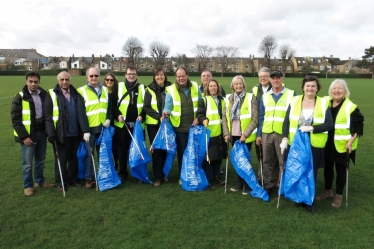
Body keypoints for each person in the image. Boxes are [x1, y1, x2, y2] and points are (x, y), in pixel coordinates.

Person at [282, 75, 333, 212]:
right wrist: (284, 138)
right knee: (298, 168)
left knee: (311, 171)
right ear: (303, 87)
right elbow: (286, 121)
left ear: (317, 89)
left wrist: (312, 128)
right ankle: (299, 197)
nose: (310, 88)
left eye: (313, 86)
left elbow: (329, 124)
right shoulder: (294, 101)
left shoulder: (323, 103)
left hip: (314, 142)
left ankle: (309, 200)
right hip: (296, 141)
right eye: (307, 85)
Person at [315, 79, 364, 208]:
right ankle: (327, 191)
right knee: (327, 169)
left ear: (345, 91)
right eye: (334, 88)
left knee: (341, 170)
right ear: (331, 90)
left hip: (343, 144)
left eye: (340, 88)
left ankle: (338, 196)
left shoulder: (350, 106)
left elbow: (358, 128)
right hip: (327, 142)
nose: (337, 91)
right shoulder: (325, 102)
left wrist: (350, 142)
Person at [11, 72, 55, 196]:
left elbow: (48, 114)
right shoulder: (19, 97)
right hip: (28, 134)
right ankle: (28, 186)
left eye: (35, 81)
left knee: (40, 160)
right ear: (26, 82)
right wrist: (24, 136)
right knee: (27, 163)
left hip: (41, 132)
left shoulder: (44, 95)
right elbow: (16, 119)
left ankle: (40, 181)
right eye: (30, 81)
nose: (33, 84)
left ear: (39, 82)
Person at [46, 71, 90, 190]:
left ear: (70, 80)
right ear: (58, 80)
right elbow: (47, 116)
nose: (64, 82)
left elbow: (81, 113)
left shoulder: (76, 93)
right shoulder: (52, 94)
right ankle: (61, 181)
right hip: (61, 133)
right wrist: (51, 133)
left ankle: (72, 179)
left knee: (73, 158)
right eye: (62, 79)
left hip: (75, 132)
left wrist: (83, 130)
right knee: (61, 159)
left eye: (67, 79)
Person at [256, 70, 296, 195]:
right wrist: (258, 134)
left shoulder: (291, 94)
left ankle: (282, 185)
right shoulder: (265, 96)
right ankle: (268, 184)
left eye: (278, 78)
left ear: (282, 79)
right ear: (270, 80)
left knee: (282, 160)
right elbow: (261, 117)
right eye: (273, 78)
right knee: (267, 161)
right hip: (266, 132)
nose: (275, 80)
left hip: (282, 134)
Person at [163, 66, 202, 185]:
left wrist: (198, 117)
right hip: (180, 128)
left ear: (187, 76)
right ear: (176, 77)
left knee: (196, 151)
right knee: (183, 152)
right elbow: (168, 105)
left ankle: (195, 173)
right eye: (178, 76)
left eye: (183, 76)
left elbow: (201, 104)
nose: (181, 78)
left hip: (195, 126)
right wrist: (166, 112)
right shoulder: (170, 89)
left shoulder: (195, 86)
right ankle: (183, 175)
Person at [77, 67, 113, 189]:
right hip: (89, 130)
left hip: (103, 128)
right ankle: (89, 178)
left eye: (96, 76)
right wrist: (85, 131)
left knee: (103, 154)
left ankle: (103, 176)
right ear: (87, 77)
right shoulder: (81, 91)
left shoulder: (105, 90)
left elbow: (109, 108)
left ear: (99, 76)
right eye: (91, 76)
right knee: (89, 155)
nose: (94, 78)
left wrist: (109, 118)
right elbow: (80, 114)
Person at [112, 66, 146, 183]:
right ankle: (122, 172)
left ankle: (137, 173)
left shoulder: (142, 88)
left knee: (137, 151)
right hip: (122, 126)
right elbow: (112, 105)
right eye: (129, 74)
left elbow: (147, 106)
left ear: (136, 75)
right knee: (122, 151)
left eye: (133, 74)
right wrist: (118, 116)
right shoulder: (118, 87)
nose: (131, 76)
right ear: (125, 75)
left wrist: (142, 115)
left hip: (137, 126)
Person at [226, 75, 258, 194]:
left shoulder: (250, 97)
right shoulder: (228, 98)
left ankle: (247, 184)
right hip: (233, 134)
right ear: (233, 86)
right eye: (236, 84)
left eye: (240, 84)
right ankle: (240, 182)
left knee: (245, 160)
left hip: (245, 135)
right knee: (237, 160)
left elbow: (255, 119)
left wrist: (245, 134)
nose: (238, 86)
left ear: (243, 85)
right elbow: (225, 118)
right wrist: (226, 134)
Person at [196, 79, 229, 188]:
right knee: (209, 158)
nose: (213, 88)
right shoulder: (204, 100)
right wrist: (203, 119)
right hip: (209, 134)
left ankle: (216, 176)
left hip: (221, 134)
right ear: (207, 88)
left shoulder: (224, 100)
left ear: (218, 88)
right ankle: (209, 179)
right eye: (211, 86)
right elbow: (200, 114)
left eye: (215, 86)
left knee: (219, 157)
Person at [144, 68, 172, 186]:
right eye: (157, 75)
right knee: (156, 151)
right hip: (154, 125)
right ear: (154, 77)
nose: (159, 77)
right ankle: (157, 177)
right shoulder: (149, 89)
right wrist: (158, 116)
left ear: (165, 76)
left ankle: (164, 174)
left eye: (161, 75)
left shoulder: (171, 87)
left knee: (166, 149)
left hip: (168, 123)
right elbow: (147, 107)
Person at [252, 67, 279, 185]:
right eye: (261, 76)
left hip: (271, 126)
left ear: (270, 78)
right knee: (260, 152)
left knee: (273, 155)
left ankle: (274, 177)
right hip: (257, 124)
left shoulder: (275, 89)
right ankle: (262, 174)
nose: (263, 78)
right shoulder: (255, 89)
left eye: (265, 76)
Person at [103, 73, 119, 172]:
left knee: (116, 146)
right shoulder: (102, 92)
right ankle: (109, 165)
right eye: (107, 79)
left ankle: (116, 165)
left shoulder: (117, 92)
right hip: (106, 122)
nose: (109, 81)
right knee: (107, 145)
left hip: (116, 122)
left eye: (111, 80)